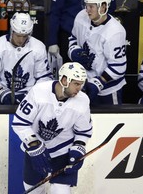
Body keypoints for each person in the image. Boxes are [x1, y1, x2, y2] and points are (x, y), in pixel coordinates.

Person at [12, 62, 93, 193]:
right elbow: (20, 123)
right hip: (36, 151)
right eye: (76, 84)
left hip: (63, 151)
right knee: (34, 191)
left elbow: (83, 132)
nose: (79, 88)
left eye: (82, 84)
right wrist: (34, 145)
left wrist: (79, 148)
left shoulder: (82, 101)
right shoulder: (38, 92)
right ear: (64, 80)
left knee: (61, 191)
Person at [68, 0, 127, 106]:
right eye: (86, 5)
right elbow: (73, 38)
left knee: (111, 123)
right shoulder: (80, 16)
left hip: (108, 90)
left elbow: (118, 67)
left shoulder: (116, 31)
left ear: (103, 7)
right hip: (83, 84)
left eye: (91, 6)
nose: (87, 10)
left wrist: (99, 82)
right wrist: (74, 52)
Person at [0, 12, 52, 105]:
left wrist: (31, 94)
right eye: (18, 35)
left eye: (25, 36)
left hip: (30, 94)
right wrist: (1, 92)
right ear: (12, 30)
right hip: (2, 92)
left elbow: (44, 77)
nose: (21, 40)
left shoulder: (38, 47)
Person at [47, 0, 116, 64]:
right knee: (70, 72)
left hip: (97, 37)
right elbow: (55, 13)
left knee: (95, 68)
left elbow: (111, 8)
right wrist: (52, 41)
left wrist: (97, 25)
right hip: (69, 36)